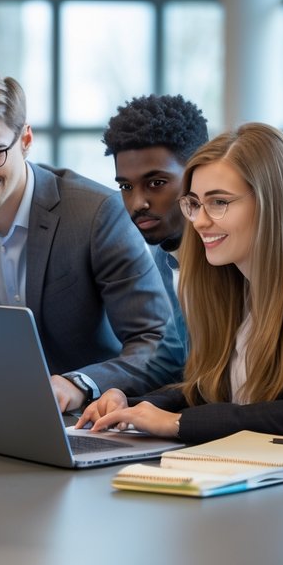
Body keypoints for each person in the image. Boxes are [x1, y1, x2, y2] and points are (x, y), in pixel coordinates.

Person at [78, 122, 283, 444]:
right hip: (273, 477)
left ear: (272, 202)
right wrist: (132, 405)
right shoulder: (231, 276)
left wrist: (176, 423)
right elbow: (207, 393)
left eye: (219, 202)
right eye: (194, 203)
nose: (200, 221)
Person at [0, 68, 170, 414]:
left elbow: (157, 343)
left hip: (82, 420)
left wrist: (80, 384)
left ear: (25, 140)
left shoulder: (96, 214)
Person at [102, 93, 209, 392]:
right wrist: (117, 400)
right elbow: (171, 362)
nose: (137, 203)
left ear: (198, 172)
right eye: (125, 186)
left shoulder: (230, 257)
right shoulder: (164, 257)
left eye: (156, 183)